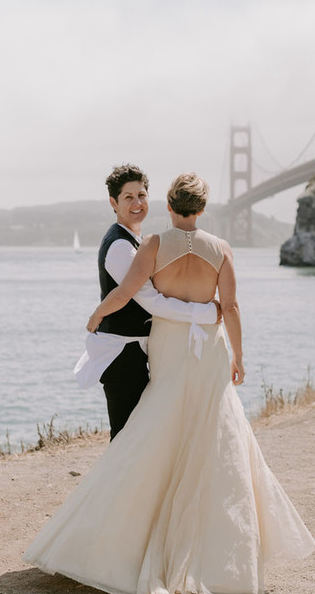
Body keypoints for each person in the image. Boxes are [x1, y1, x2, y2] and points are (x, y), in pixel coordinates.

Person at [24, 173, 315, 594]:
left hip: (169, 347)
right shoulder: (221, 249)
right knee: (215, 436)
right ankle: (220, 559)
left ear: (168, 204)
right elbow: (231, 307)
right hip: (210, 351)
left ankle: (114, 539)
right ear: (203, 207)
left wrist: (96, 315)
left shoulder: (154, 245)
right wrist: (238, 356)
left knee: (156, 427)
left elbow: (128, 292)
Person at [73, 164, 220, 439]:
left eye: (141, 195)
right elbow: (151, 301)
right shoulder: (119, 246)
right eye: (128, 197)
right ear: (113, 203)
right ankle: (115, 484)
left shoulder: (133, 240)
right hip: (121, 351)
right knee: (127, 437)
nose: (137, 203)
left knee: (137, 435)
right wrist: (208, 313)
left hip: (132, 349)